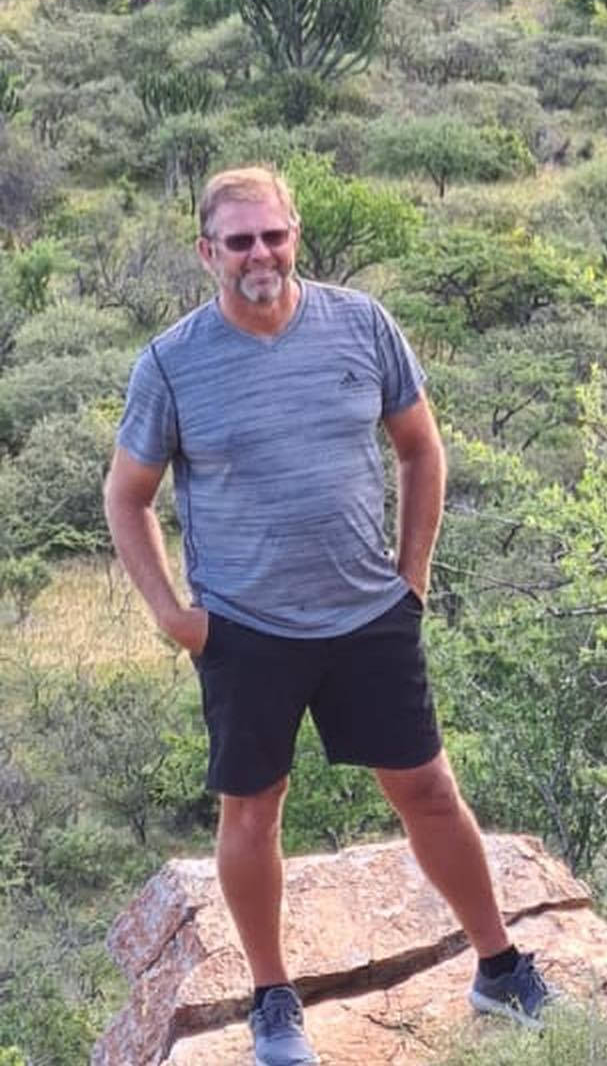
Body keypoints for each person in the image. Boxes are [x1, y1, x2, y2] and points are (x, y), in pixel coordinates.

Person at [104, 165, 550, 1066]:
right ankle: (275, 1001)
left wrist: (411, 576)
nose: (259, 254)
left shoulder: (361, 323)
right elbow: (127, 495)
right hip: (246, 629)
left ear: (295, 234)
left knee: (427, 790)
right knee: (253, 812)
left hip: (367, 615)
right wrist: (173, 618)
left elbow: (422, 449)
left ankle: (499, 968)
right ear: (207, 254)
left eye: (273, 234)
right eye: (239, 241)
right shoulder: (172, 363)